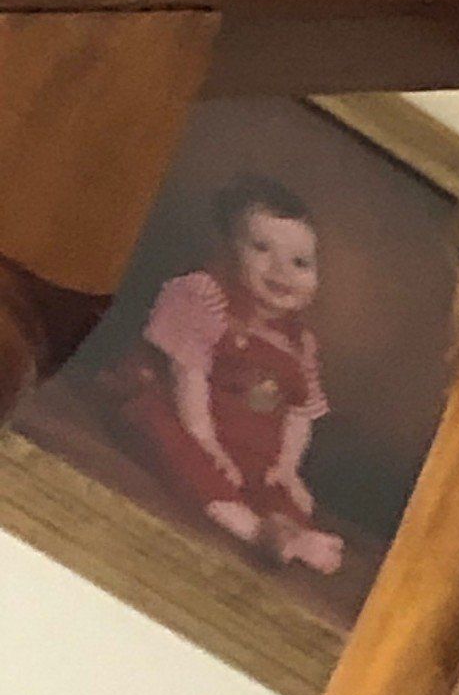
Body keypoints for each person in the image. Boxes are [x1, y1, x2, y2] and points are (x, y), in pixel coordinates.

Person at [106, 173, 343, 574]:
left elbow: (299, 413)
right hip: (177, 409)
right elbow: (189, 376)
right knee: (184, 452)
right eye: (261, 248)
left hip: (247, 443)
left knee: (277, 488)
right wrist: (205, 440)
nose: (280, 269)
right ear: (231, 250)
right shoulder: (203, 296)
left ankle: (291, 532)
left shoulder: (299, 343)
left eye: (300, 262)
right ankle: (253, 531)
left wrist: (287, 468)